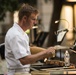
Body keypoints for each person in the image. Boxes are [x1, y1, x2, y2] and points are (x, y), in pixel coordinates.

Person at [5, 4, 55, 75]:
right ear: (24, 18)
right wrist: (45, 53)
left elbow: (28, 49)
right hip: (17, 73)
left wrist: (48, 51)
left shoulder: (22, 33)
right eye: (33, 19)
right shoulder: (15, 35)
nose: (35, 22)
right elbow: (24, 60)